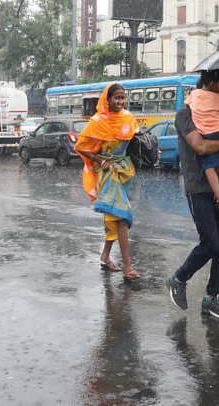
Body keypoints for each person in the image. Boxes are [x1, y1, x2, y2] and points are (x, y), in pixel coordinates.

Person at [166, 72, 219, 320]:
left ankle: (212, 298)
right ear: (210, 83)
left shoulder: (218, 116)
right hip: (198, 188)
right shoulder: (184, 115)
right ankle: (179, 279)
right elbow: (201, 146)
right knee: (210, 242)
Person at [74, 83, 141, 281]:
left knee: (114, 216)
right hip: (107, 171)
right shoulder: (97, 121)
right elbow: (81, 146)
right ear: (107, 99)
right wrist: (100, 160)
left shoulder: (128, 118)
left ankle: (105, 255)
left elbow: (136, 136)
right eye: (116, 98)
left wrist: (151, 150)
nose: (120, 102)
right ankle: (128, 267)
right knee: (122, 216)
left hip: (126, 170)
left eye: (122, 98)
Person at [184, 69, 219, 217]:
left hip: (207, 134)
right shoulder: (218, 98)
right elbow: (218, 112)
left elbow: (188, 104)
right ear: (211, 84)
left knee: (210, 168)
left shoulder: (193, 97)